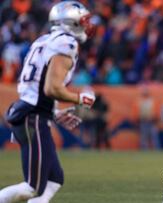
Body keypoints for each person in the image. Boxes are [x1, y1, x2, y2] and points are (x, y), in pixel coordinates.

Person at [0, 1, 96, 203]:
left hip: (31, 112)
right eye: (83, 20)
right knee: (32, 188)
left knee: (54, 180)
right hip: (32, 116)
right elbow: (51, 88)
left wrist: (53, 112)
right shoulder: (66, 43)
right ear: (70, 22)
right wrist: (81, 99)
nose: (87, 24)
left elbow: (36, 86)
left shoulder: (44, 40)